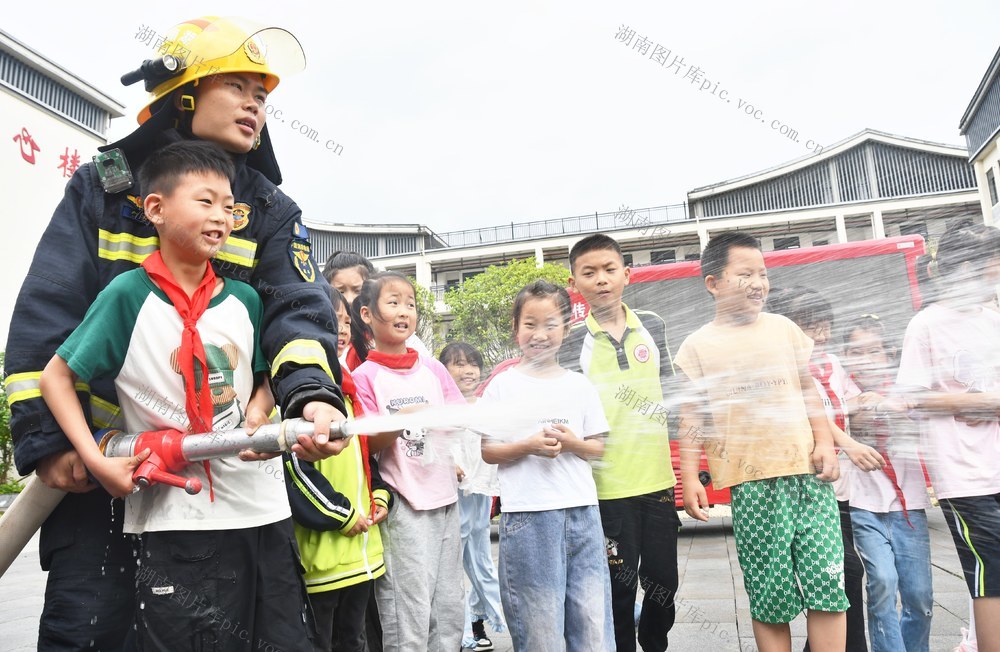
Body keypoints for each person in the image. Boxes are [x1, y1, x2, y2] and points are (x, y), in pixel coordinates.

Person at [5, 17, 348, 650]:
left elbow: (297, 314)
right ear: (183, 94)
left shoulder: (271, 209)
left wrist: (309, 397)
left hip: (225, 474)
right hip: (107, 467)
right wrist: (54, 442)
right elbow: (47, 313)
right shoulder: (105, 188)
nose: (256, 104)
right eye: (239, 86)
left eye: (264, 95)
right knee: (90, 628)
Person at [39, 140, 319, 649]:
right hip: (176, 517)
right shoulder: (126, 296)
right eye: (205, 201)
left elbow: (261, 379)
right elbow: (55, 377)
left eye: (230, 207)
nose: (222, 217)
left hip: (262, 508)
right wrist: (94, 458)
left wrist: (259, 411)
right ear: (156, 209)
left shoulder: (246, 300)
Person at [674, 231, 847, 652]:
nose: (758, 282)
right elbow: (691, 416)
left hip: (808, 475)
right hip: (751, 486)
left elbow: (809, 391)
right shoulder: (697, 346)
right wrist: (693, 478)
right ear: (713, 283)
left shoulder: (784, 329)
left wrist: (824, 442)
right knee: (769, 594)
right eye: (744, 273)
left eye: (763, 273)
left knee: (828, 582)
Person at [559, 234, 680, 652]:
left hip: (657, 481)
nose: (601, 280)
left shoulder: (654, 324)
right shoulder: (572, 341)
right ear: (574, 282)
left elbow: (673, 391)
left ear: (627, 274)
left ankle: (654, 639)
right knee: (618, 587)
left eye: (610, 270)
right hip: (606, 489)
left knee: (664, 582)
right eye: (589, 273)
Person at [481, 280, 615, 652]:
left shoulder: (580, 385)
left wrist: (572, 443)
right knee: (540, 626)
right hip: (528, 517)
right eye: (530, 324)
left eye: (550, 324)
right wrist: (528, 446)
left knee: (591, 621)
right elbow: (489, 452)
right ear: (515, 327)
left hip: (583, 513)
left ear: (566, 328)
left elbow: (598, 447)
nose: (540, 334)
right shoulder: (502, 386)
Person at [895, 221, 1000, 651]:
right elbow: (913, 397)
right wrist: (981, 404)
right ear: (967, 268)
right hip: (966, 474)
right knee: (990, 571)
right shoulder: (928, 324)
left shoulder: (994, 318)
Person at [350, 272, 465, 651]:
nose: (404, 311)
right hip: (404, 506)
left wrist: (453, 457)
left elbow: (457, 417)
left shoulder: (433, 369)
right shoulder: (364, 377)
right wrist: (403, 421)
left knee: (448, 605)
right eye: (393, 302)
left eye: (411, 304)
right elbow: (367, 444)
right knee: (408, 609)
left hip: (446, 500)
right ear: (367, 315)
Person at [768, 287, 885, 652]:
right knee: (843, 572)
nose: (820, 335)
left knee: (842, 576)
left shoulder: (832, 362)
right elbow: (813, 415)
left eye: (824, 326)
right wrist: (848, 443)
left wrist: (871, 400)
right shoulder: (785, 369)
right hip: (809, 484)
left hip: (843, 486)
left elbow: (843, 404)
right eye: (810, 327)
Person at [284, 286, 394, 652]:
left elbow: (364, 459)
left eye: (345, 321)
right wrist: (343, 515)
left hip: (363, 555)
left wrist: (380, 494)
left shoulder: (348, 394)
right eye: (332, 321)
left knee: (356, 639)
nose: (341, 329)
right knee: (323, 642)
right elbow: (296, 474)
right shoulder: (297, 399)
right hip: (323, 562)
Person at [839, 314, 933, 652]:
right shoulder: (843, 389)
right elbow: (840, 411)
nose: (865, 360)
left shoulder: (905, 388)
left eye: (874, 352)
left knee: (920, 596)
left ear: (890, 354)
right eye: (856, 352)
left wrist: (887, 402)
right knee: (882, 582)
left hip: (910, 509)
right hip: (864, 509)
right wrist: (865, 403)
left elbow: (918, 412)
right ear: (845, 357)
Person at [439, 342, 506, 652]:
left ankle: (479, 621)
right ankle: (467, 627)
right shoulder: (442, 408)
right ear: (444, 370)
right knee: (458, 563)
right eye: (458, 364)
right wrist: (450, 463)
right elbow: (437, 444)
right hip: (456, 495)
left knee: (480, 559)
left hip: (480, 493)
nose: (467, 370)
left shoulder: (486, 404)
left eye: (472, 364)